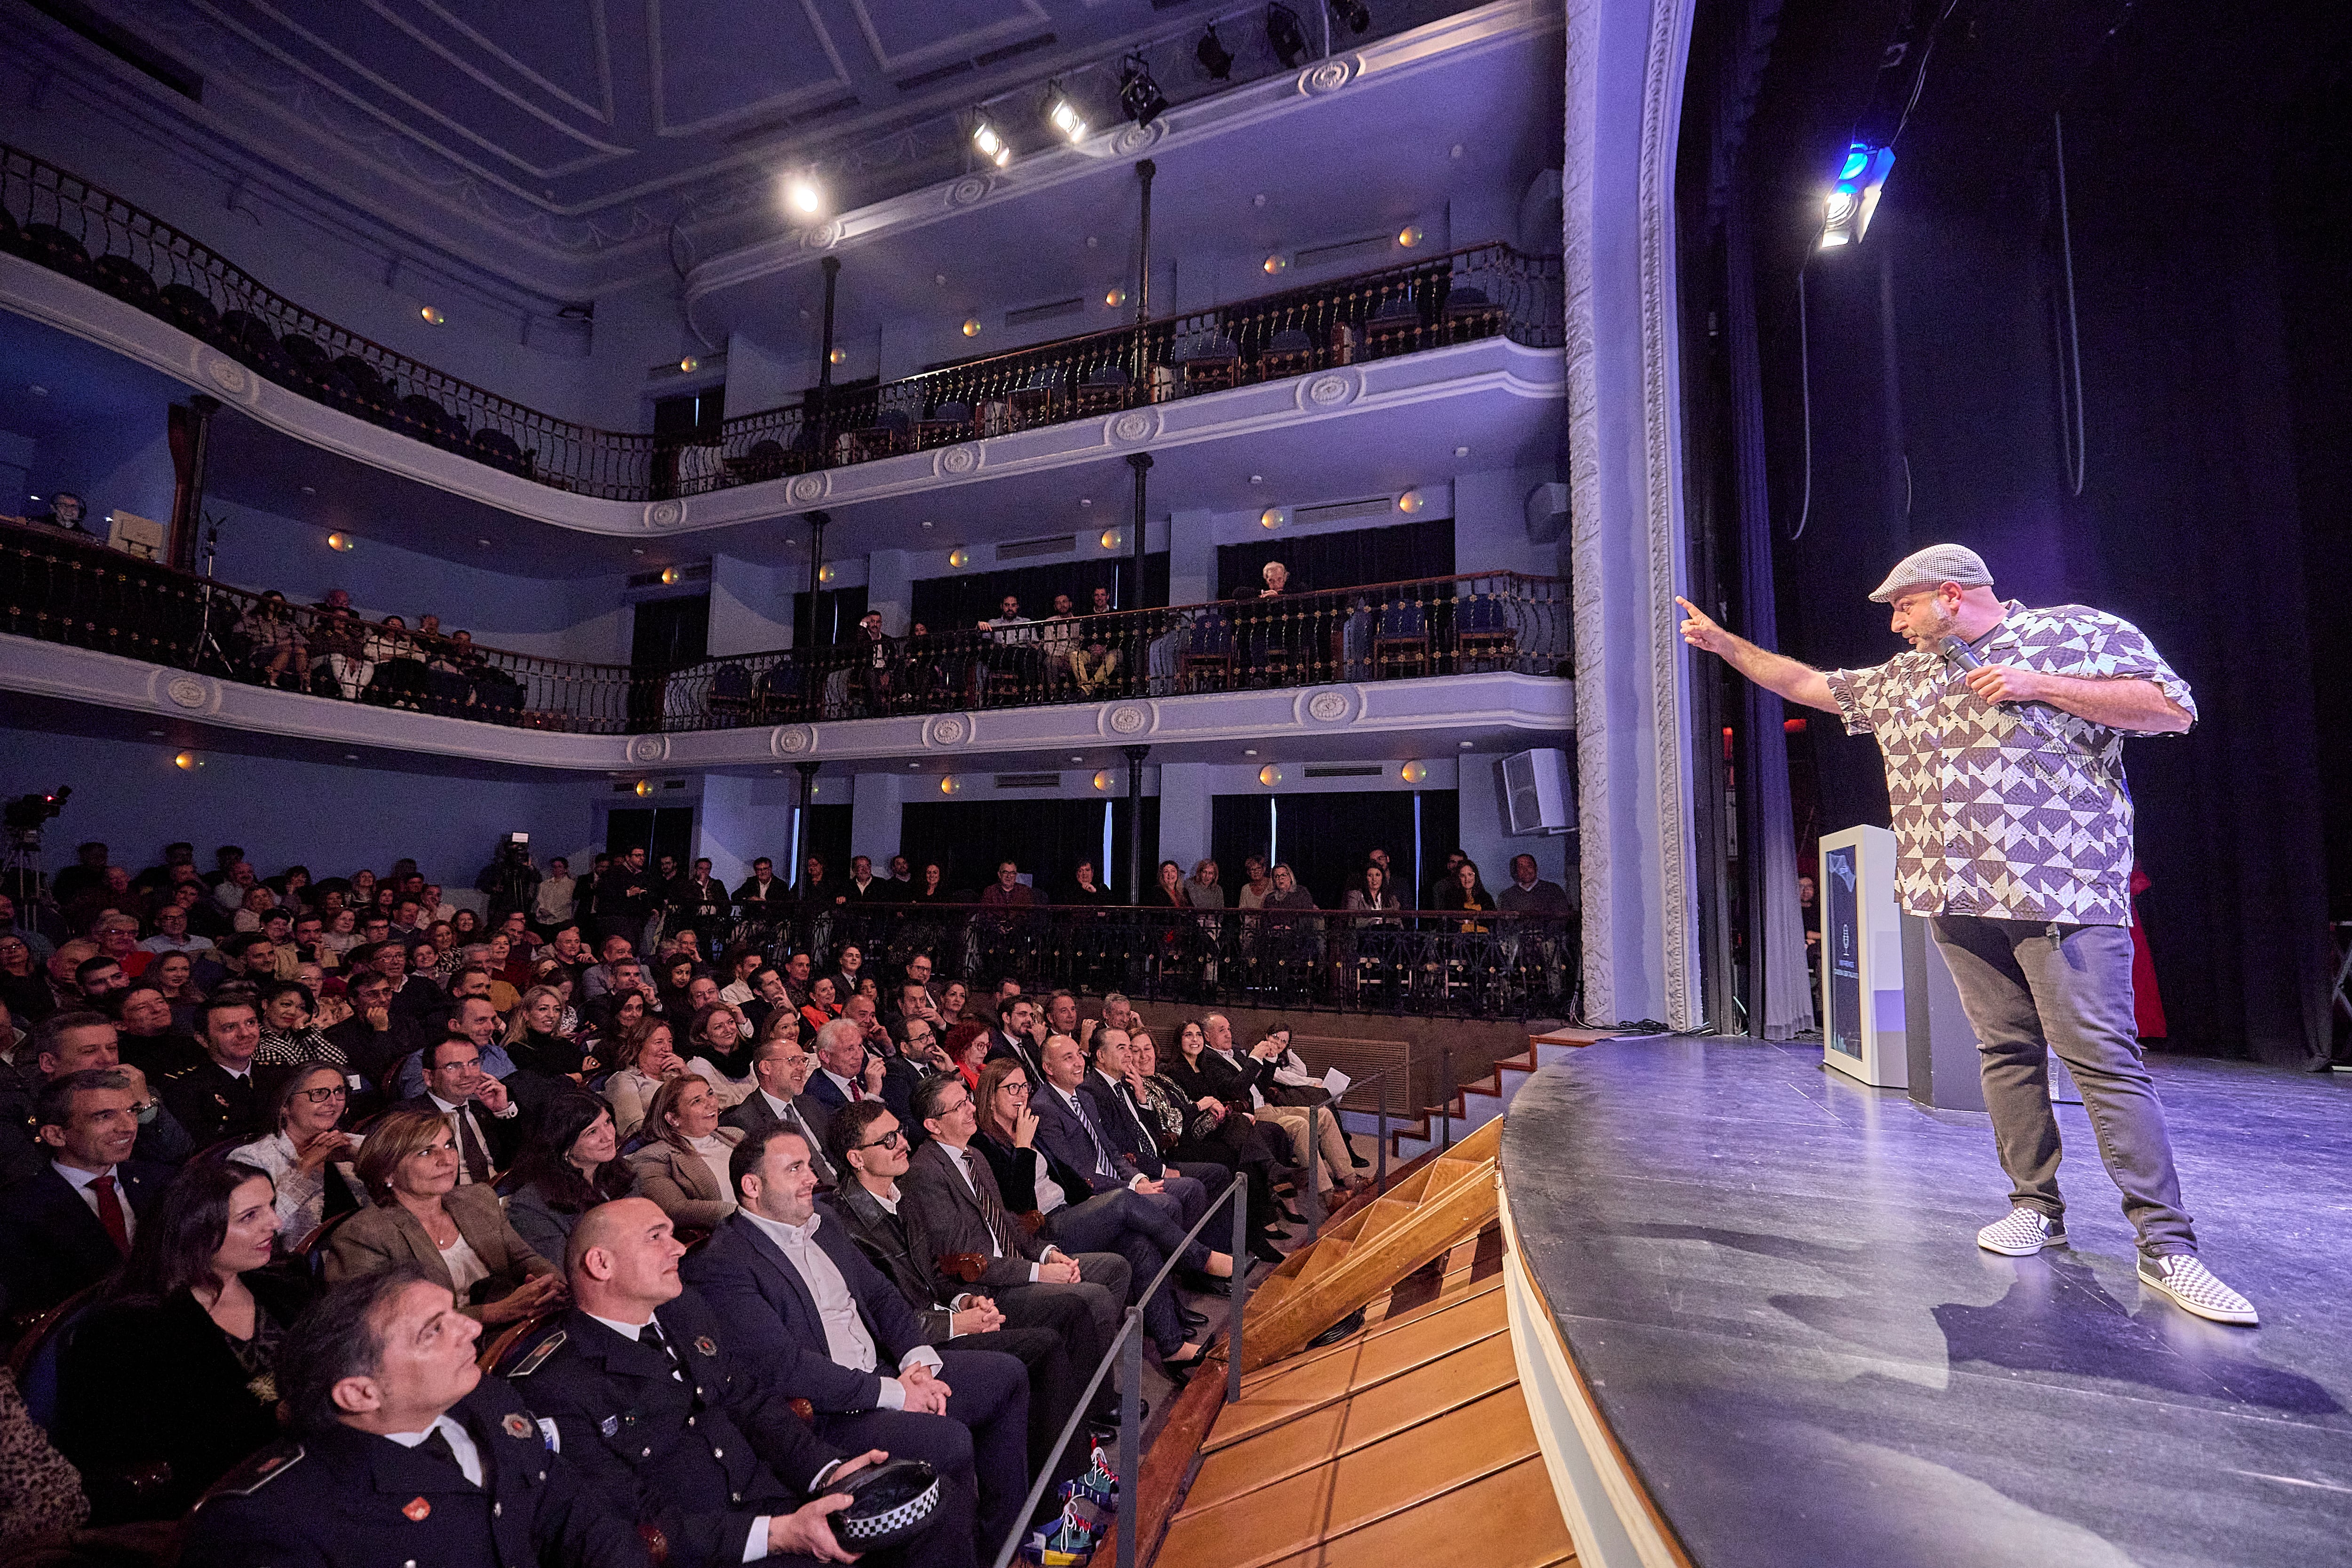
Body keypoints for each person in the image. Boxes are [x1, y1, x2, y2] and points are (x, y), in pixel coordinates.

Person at [1676, 543, 2252, 1324]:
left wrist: (2038, 684)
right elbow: (1809, 685)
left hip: (2062, 891)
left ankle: (2168, 1248)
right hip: (1956, 895)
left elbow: (2170, 709)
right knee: (2007, 1053)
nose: (1893, 620)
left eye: (1902, 605)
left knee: (2102, 1062)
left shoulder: (2070, 632)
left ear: (1951, 595)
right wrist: (1726, 646)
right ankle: (2035, 1207)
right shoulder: (1906, 676)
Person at [684, 1124, 1034, 1556]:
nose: (812, 1177)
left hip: (885, 1373)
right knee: (950, 1439)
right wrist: (896, 1393)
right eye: (795, 1169)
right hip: (830, 1410)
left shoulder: (824, 1221)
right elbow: (787, 1366)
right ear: (752, 1186)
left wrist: (917, 1364)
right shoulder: (724, 1262)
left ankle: (1005, 1543)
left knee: (1008, 1375)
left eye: (809, 1165)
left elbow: (882, 1296)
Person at [514, 1197, 915, 1568]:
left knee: (922, 1514)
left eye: (672, 1234)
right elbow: (631, 1520)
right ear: (601, 1264)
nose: (679, 1248)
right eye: (656, 1237)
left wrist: (828, 1472)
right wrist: (778, 1535)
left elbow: (750, 1403)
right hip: (709, 1550)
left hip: (776, 1502)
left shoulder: (684, 1310)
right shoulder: (555, 1382)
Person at [175, 1266, 647, 1568]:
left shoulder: (488, 1403)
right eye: (433, 1331)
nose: (474, 1327)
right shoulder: (269, 1523)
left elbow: (576, 1514)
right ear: (360, 1393)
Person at [822, 1101, 1099, 1484]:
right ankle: (1060, 1491)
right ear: (856, 1157)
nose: (903, 1142)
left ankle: (1074, 1469)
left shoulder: (899, 1194)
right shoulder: (848, 1225)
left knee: (1061, 1324)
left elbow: (934, 1273)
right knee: (1041, 1348)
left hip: (938, 1320)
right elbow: (885, 1315)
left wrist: (963, 1301)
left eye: (899, 1131)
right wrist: (955, 1322)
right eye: (888, 1140)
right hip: (910, 1350)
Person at [59, 1154, 315, 1522]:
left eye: (271, 1206)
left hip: (314, 1458)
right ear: (196, 1231)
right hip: (223, 1499)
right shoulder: (128, 1330)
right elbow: (158, 1451)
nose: (275, 1223)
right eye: (250, 1216)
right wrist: (281, 1415)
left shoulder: (283, 1284)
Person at [966, 1059, 1216, 1373]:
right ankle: (1201, 1258)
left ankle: (1172, 1346)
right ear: (990, 1097)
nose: (1021, 1095)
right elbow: (1018, 1206)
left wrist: (1096, 1203)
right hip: (1043, 1230)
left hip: (1070, 1212)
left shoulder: (1027, 1125)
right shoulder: (983, 1144)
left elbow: (1067, 1177)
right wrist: (1023, 1148)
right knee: (1125, 1199)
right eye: (1011, 1088)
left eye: (1024, 1087)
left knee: (1139, 1244)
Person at [901, 1073, 1130, 1354]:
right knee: (1093, 1297)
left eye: (968, 1100)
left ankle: (1088, 1361)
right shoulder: (924, 1173)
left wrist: (1048, 1254)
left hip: (1017, 1262)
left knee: (1116, 1267)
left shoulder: (973, 1155)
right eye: (959, 1106)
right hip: (990, 1287)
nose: (972, 1108)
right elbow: (964, 1254)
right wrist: (1041, 1273)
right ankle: (1094, 1386)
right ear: (933, 1125)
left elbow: (1006, 1222)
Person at [325, 1109, 565, 1324]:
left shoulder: (478, 1198)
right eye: (427, 1152)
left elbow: (523, 1259)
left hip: (516, 1328)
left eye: (449, 1145)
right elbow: (390, 1323)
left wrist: (552, 1285)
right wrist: (496, 1312)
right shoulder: (362, 1236)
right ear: (388, 1172)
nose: (447, 1160)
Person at [0, 1069, 170, 1315]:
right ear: (56, 1135)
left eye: (131, 1111)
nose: (128, 1127)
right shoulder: (18, 1212)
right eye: (104, 1116)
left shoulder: (164, 1181)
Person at [233, 1063, 370, 1250]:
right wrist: (306, 1166)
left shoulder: (356, 1144)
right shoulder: (252, 1159)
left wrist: (362, 1158)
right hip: (304, 1269)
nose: (333, 1102)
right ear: (285, 1106)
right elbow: (255, 1231)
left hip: (370, 1250)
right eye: (319, 1093)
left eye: (339, 1091)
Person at [506, 1095, 636, 1266]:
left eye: (608, 1122)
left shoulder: (620, 1172)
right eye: (592, 1132)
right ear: (565, 1147)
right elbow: (568, 1271)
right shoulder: (531, 1206)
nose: (608, 1136)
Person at [398, 1035, 525, 1186]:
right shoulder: (407, 1118)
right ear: (429, 1077)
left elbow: (520, 1159)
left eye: (474, 1063)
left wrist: (502, 1112)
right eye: (453, 1066)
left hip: (504, 1194)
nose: (467, 1074)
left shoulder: (485, 1107)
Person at [720, 1031, 839, 1187]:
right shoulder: (744, 1121)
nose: (802, 1068)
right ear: (766, 1067)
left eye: (803, 1061)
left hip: (842, 1185)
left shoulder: (810, 1102)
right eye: (793, 1061)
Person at [628, 1075, 743, 1229]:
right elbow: (675, 1208)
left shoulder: (736, 1135)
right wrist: (745, 1215)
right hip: (733, 1231)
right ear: (672, 1119)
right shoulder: (655, 1157)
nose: (710, 1103)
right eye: (697, 1101)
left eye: (710, 1094)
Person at [160, 995, 268, 1147]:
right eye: (230, 1028)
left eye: (251, 1023)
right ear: (203, 1040)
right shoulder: (186, 1088)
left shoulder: (280, 1073)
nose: (245, 1034)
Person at [604, 1016, 688, 1139]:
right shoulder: (624, 1080)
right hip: (657, 1145)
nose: (667, 1049)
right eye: (659, 1042)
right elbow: (634, 1130)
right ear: (639, 1045)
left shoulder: (674, 1076)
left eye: (670, 1042)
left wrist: (686, 1071)